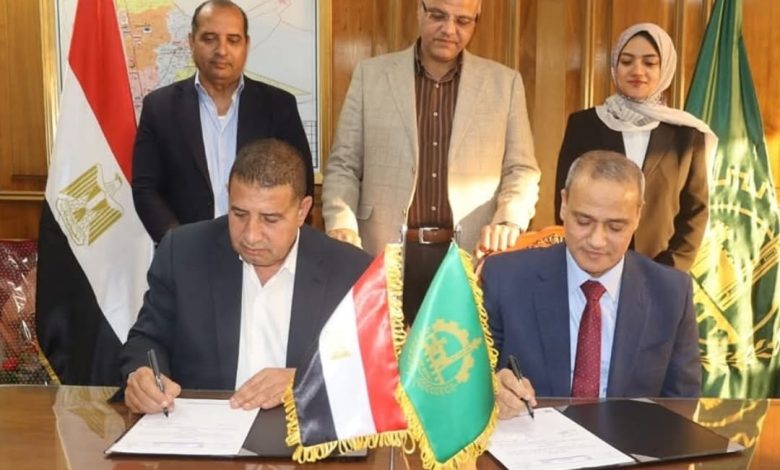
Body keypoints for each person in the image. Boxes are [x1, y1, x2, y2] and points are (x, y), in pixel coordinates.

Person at [322, 0, 540, 322]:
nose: (449, 30)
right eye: (438, 15)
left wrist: (508, 220)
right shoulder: (371, 75)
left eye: (462, 21)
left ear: (476, 22)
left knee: (459, 352)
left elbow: (521, 169)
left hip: (470, 257)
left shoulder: (503, 83)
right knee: (391, 354)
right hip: (384, 253)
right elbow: (344, 164)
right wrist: (341, 223)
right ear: (419, 11)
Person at [120, 138, 371, 414]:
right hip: (206, 430)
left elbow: (372, 368)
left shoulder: (350, 272)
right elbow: (147, 340)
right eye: (239, 214)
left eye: (270, 219)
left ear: (302, 210)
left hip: (301, 432)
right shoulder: (182, 253)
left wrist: (305, 381)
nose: (251, 235)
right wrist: (141, 376)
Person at [483, 150, 701, 418]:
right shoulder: (506, 278)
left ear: (638, 215)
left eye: (615, 227)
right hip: (533, 436)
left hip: (631, 441)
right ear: (564, 204)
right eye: (583, 221)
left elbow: (681, 403)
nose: (597, 241)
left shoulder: (670, 293)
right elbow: (472, 381)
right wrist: (494, 390)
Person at [132, 0, 313, 244]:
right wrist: (179, 244)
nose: (222, 50)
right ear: (191, 42)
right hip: (187, 252)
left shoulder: (278, 106)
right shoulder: (160, 107)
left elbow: (301, 184)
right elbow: (146, 188)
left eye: (233, 40)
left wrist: (269, 241)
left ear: (246, 45)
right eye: (209, 39)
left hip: (261, 249)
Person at [554, 22, 716, 272]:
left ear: (665, 69)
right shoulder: (584, 124)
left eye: (649, 63)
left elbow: (696, 211)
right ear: (614, 67)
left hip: (662, 270)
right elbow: (566, 200)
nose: (637, 71)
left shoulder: (686, 133)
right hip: (592, 265)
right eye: (627, 61)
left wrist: (669, 271)